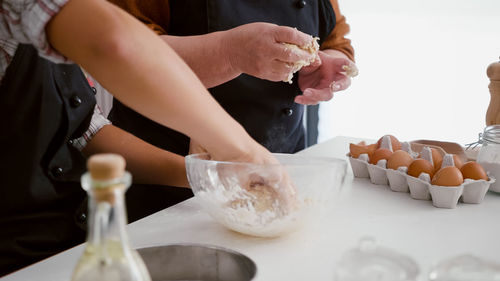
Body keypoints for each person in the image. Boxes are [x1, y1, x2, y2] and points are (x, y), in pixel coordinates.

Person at [0, 0, 277, 276]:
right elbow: (112, 42)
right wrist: (241, 149)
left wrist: (204, 176)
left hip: (71, 248)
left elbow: (86, 132)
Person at [106, 0, 356, 204]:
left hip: (283, 165)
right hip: (167, 184)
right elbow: (124, 50)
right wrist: (229, 53)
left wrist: (326, 64)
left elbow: (336, 38)